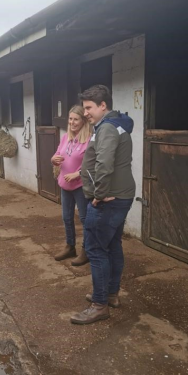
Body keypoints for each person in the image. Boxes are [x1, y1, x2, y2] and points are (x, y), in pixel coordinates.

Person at [70, 85, 136, 325]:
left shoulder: (107, 128)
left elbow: (104, 164)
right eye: (85, 107)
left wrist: (98, 194)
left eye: (89, 108)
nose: (86, 112)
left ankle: (99, 305)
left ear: (102, 105)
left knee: (96, 249)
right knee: (113, 245)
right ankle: (111, 294)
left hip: (108, 199)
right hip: (121, 195)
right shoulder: (115, 124)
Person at [51, 106, 92, 266]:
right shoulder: (66, 137)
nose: (72, 122)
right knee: (67, 217)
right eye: (70, 119)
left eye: (76, 119)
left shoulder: (89, 139)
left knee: (84, 219)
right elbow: (57, 154)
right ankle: (70, 247)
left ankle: (86, 250)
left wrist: (78, 173)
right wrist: (53, 159)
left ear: (83, 120)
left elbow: (93, 164)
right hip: (64, 184)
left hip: (80, 186)